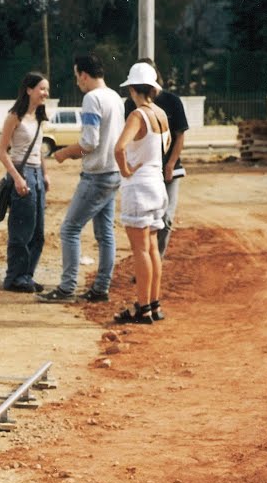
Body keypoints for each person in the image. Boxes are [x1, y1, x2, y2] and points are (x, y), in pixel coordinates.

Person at [39, 54, 122, 304]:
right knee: (105, 234)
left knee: (70, 229)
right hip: (113, 172)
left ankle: (66, 288)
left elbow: (89, 142)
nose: (77, 83)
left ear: (84, 75)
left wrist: (64, 153)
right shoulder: (115, 97)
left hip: (96, 175)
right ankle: (100, 288)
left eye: (77, 77)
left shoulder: (92, 98)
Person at [113, 62, 170, 325]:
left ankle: (143, 307)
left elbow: (119, 148)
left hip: (139, 186)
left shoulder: (137, 116)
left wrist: (125, 170)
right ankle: (154, 305)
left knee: (140, 251)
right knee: (152, 248)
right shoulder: (160, 114)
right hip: (157, 184)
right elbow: (166, 144)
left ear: (133, 89)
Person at [120, 58, 189, 261]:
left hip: (168, 170)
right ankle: (148, 265)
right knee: (144, 224)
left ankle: (154, 259)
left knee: (165, 219)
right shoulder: (130, 106)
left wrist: (170, 163)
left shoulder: (172, 102)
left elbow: (179, 135)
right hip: (146, 173)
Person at [0, 72, 51, 293]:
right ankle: (15, 278)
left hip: (37, 174)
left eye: (47, 89)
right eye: (41, 88)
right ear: (29, 90)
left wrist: (45, 175)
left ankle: (27, 275)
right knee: (22, 230)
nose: (45, 93)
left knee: (38, 231)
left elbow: (38, 151)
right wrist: (17, 178)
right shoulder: (14, 116)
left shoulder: (39, 116)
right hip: (22, 173)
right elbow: (1, 151)